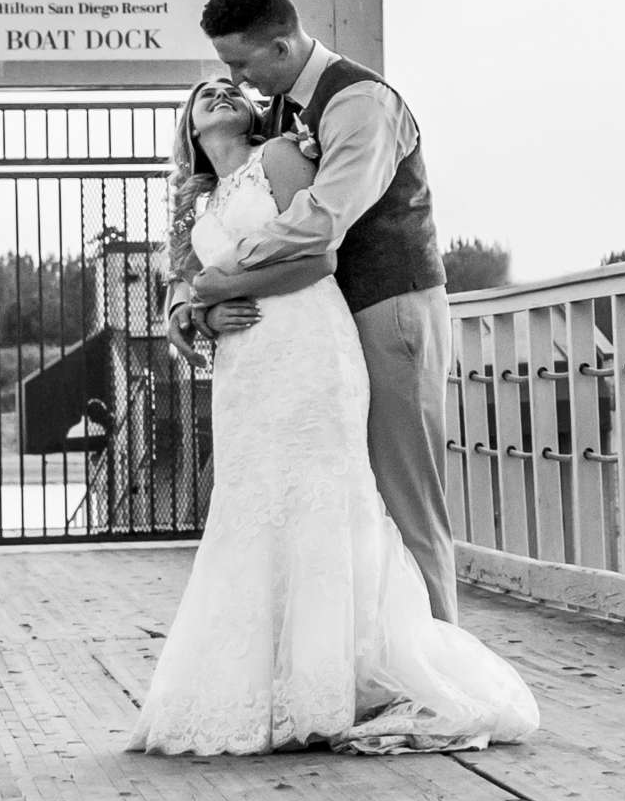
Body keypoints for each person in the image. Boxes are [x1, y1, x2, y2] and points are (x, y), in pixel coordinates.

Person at [128, 76, 538, 756]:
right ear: (189, 131)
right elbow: (180, 293)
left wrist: (219, 286)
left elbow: (318, 256)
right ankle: (263, 683)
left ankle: (340, 680)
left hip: (308, 345)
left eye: (232, 87)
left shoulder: (281, 159)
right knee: (254, 506)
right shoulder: (196, 204)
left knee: (323, 498)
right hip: (246, 367)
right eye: (205, 95)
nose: (222, 93)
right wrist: (198, 310)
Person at [168, 0, 461, 621]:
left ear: (280, 46)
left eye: (240, 63)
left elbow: (325, 218)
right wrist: (194, 301)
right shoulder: (280, 112)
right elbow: (201, 234)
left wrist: (225, 275)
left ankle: (439, 671)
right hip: (327, 329)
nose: (237, 82)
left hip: (391, 307)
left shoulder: (361, 103)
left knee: (405, 498)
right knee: (354, 499)